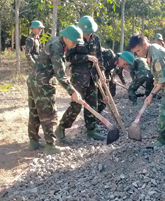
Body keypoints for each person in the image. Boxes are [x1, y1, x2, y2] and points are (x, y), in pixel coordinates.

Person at [27, 25, 83, 154]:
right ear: (67, 38)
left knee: (35, 112)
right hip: (42, 84)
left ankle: (34, 142)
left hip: (33, 80)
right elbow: (60, 74)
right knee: (49, 113)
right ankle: (50, 145)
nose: (74, 45)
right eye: (74, 42)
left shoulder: (55, 41)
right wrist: (72, 91)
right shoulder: (58, 47)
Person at [56, 16, 106, 141]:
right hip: (79, 77)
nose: (88, 34)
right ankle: (61, 128)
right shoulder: (74, 39)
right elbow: (69, 58)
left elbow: (99, 57)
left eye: (90, 32)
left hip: (92, 77)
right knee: (76, 105)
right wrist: (86, 57)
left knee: (92, 102)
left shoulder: (96, 39)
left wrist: (102, 73)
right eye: (86, 32)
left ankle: (91, 129)